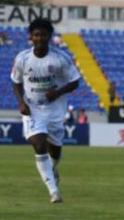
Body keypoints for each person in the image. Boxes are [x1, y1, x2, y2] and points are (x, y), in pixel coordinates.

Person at [11, 17, 82, 204]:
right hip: (32, 109)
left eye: (43, 35)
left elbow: (75, 81)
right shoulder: (22, 58)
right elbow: (16, 81)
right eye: (36, 35)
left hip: (55, 110)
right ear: (30, 38)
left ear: (49, 37)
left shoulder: (60, 59)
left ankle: (53, 169)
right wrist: (21, 103)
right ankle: (54, 191)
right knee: (38, 144)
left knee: (55, 150)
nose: (39, 38)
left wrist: (58, 92)